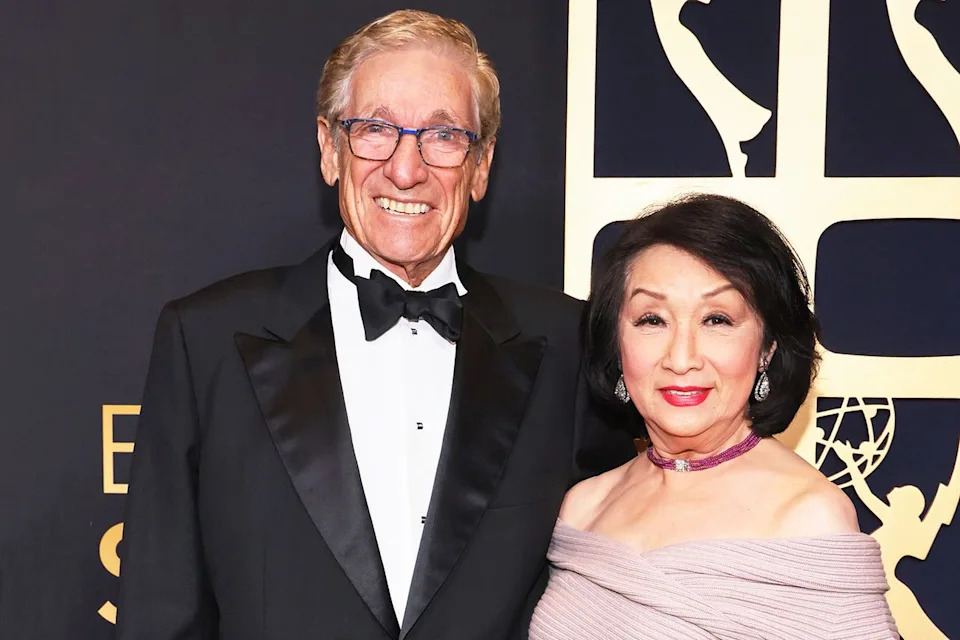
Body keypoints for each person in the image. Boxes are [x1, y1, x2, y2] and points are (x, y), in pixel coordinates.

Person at [115, 9, 634, 640]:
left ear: (481, 167)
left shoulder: (569, 347)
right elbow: (159, 614)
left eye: (444, 137)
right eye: (375, 129)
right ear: (330, 149)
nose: (406, 169)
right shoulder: (206, 342)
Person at [530, 194, 899, 639]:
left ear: (768, 348)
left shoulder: (809, 518)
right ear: (616, 343)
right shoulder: (583, 507)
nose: (681, 358)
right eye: (652, 320)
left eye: (717, 319)